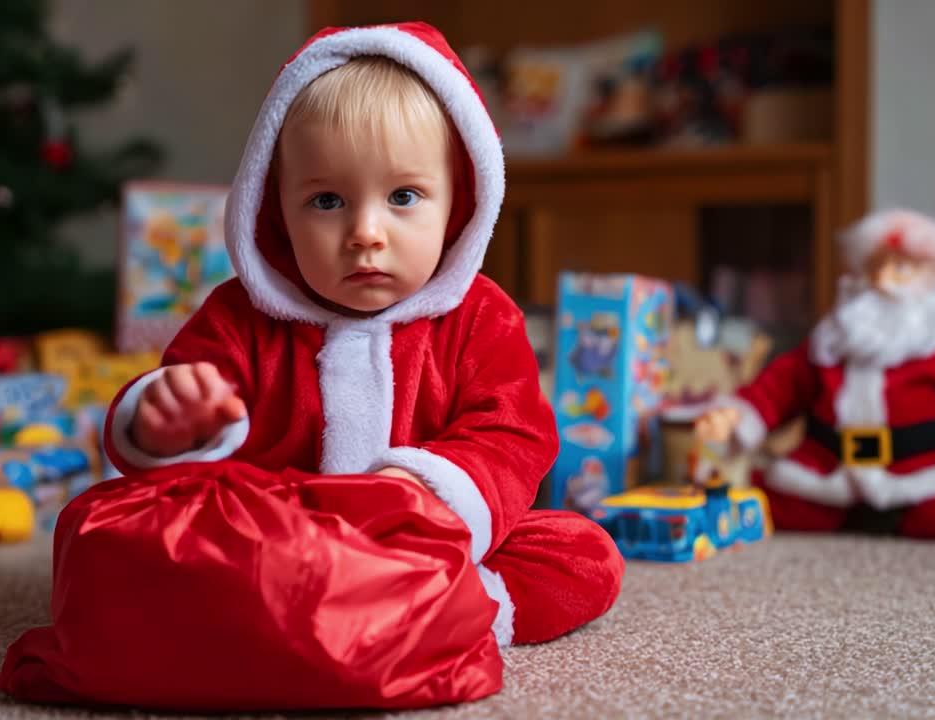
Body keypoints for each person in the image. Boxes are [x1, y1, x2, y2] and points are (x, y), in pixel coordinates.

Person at [104, 22, 623, 646]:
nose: (366, 232)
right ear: (276, 210)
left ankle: (455, 608)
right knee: (122, 536)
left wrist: (425, 491)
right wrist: (168, 420)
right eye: (327, 202)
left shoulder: (482, 318)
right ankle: (339, 613)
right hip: (276, 542)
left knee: (581, 553)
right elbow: (184, 419)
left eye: (403, 196)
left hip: (427, 544)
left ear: (457, 205)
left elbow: (514, 434)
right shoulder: (239, 317)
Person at [695, 209, 935, 540]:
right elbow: (780, 386)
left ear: (933, 278)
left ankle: (896, 516)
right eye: (874, 266)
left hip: (922, 471)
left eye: (902, 268)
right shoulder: (830, 341)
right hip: (830, 470)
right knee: (768, 504)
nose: (883, 279)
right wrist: (736, 418)